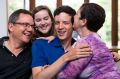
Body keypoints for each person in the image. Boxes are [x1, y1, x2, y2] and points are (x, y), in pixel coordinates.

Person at [57, 3, 120, 79]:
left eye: (76, 14)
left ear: (83, 21)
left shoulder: (84, 44)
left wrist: (51, 70)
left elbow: (66, 76)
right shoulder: (97, 39)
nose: (74, 17)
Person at [32, 5, 91, 79]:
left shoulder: (80, 47)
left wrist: (50, 72)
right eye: (57, 23)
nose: (60, 27)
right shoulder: (40, 44)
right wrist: (67, 56)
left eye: (65, 23)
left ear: (73, 25)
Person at [0, 9, 34, 79]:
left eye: (32, 26)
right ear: (11, 27)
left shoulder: (34, 49)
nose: (30, 29)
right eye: (25, 24)